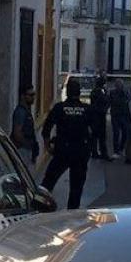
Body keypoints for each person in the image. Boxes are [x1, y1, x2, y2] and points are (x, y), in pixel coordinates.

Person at [41, 80, 95, 208]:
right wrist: (89, 149)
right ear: (79, 92)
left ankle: (40, 208)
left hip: (62, 151)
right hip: (80, 151)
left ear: (67, 92)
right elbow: (95, 131)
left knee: (47, 183)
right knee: (76, 189)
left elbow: (46, 129)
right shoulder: (86, 109)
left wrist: (48, 146)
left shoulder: (59, 108)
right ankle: (72, 215)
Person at [10, 86, 39, 166]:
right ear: (23, 96)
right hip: (22, 150)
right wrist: (28, 145)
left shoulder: (26, 111)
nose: (33, 97)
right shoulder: (21, 112)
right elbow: (17, 133)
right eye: (30, 95)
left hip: (26, 150)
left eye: (34, 95)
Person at [107, 79, 131, 164]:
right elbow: (109, 102)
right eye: (117, 85)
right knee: (116, 133)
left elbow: (129, 100)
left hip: (123, 115)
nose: (118, 86)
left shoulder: (125, 92)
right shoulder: (112, 93)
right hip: (115, 115)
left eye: (120, 85)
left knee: (125, 132)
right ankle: (116, 151)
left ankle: (121, 148)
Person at [88, 75, 110, 160]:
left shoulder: (94, 91)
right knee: (101, 135)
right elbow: (105, 100)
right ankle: (102, 153)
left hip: (96, 115)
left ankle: (95, 152)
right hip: (98, 116)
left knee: (95, 136)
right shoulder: (99, 92)